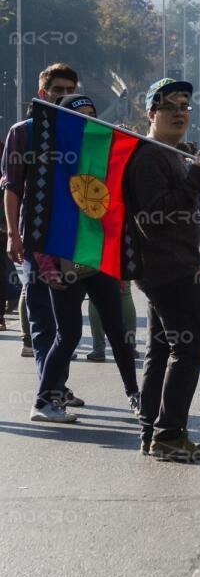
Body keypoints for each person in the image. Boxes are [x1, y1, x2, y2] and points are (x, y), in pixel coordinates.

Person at [27, 95, 141, 423]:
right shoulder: (50, 162)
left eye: (95, 114)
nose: (92, 121)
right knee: (69, 334)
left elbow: (115, 211)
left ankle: (134, 395)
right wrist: (47, 267)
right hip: (63, 263)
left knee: (118, 332)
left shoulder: (102, 159)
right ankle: (44, 401)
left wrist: (119, 264)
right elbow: (39, 220)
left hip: (98, 261)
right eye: (83, 116)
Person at [124, 79, 200, 459]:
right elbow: (154, 216)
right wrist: (196, 177)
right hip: (168, 269)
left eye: (185, 105)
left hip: (173, 267)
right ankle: (169, 435)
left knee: (161, 351)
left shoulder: (171, 153)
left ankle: (152, 432)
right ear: (150, 114)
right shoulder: (149, 156)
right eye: (169, 106)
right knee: (190, 350)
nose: (180, 112)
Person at [3, 63, 84, 414]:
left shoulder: (83, 133)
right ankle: (51, 391)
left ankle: (55, 386)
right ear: (43, 94)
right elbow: (11, 187)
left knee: (67, 323)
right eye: (58, 90)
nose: (64, 96)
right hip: (35, 240)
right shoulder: (23, 133)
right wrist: (13, 234)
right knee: (42, 318)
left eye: (70, 91)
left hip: (71, 241)